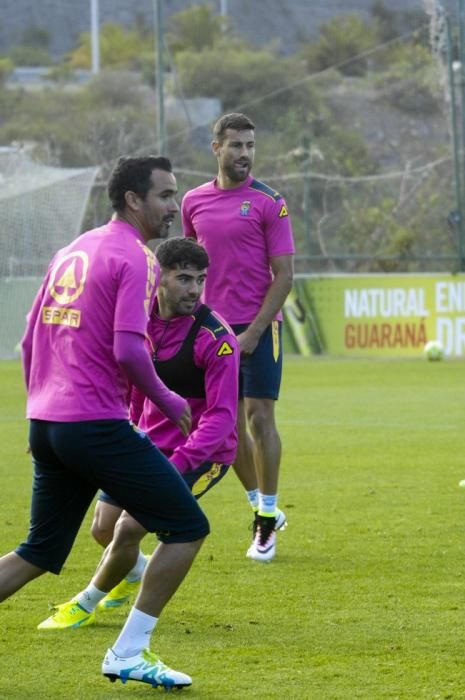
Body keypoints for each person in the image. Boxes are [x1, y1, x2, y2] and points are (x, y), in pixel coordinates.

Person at [0, 156, 211, 690]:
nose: (172, 207)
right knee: (187, 528)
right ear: (133, 200)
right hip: (94, 425)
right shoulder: (135, 258)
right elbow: (128, 351)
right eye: (165, 196)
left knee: (38, 552)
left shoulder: (74, 248)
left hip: (49, 424)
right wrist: (167, 400)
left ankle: (124, 642)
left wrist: (40, 408)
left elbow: (29, 341)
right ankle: (128, 652)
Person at [37, 236, 239, 627]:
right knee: (104, 527)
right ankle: (132, 573)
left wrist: (180, 463)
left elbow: (222, 417)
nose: (194, 289)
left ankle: (84, 604)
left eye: (200, 279)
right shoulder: (138, 319)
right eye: (183, 278)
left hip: (202, 455)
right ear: (157, 279)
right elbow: (129, 382)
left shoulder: (216, 339)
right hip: (145, 443)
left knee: (130, 527)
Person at [182, 112, 295, 563]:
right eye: (236, 145)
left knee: (259, 420)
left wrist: (252, 332)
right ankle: (259, 506)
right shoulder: (193, 201)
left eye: (250, 145)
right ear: (217, 148)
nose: (244, 153)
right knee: (225, 431)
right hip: (210, 334)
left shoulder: (270, 202)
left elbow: (284, 276)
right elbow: (187, 267)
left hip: (259, 329)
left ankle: (266, 524)